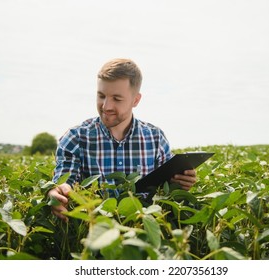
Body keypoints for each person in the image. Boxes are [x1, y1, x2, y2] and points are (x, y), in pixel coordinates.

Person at [48, 58, 196, 221]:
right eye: (101, 96)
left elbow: (166, 191)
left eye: (117, 99)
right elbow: (65, 179)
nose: (106, 106)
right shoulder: (76, 137)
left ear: (136, 100)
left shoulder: (155, 138)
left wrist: (181, 184)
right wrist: (58, 192)